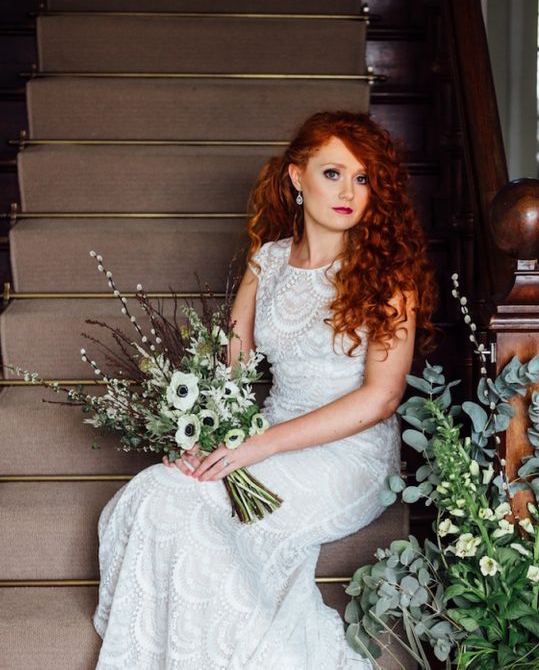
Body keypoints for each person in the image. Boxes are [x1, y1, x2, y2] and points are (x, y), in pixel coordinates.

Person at [92, 111, 438, 669]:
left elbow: (381, 398)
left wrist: (254, 448)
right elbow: (234, 369)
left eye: (364, 178)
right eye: (333, 174)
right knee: (162, 490)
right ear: (297, 178)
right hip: (261, 433)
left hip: (348, 455)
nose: (350, 192)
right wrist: (202, 434)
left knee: (192, 509)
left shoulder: (386, 277)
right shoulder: (268, 259)